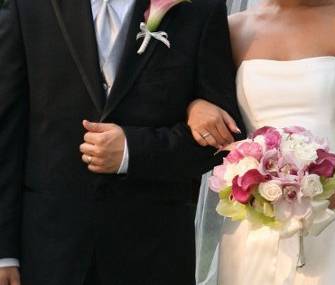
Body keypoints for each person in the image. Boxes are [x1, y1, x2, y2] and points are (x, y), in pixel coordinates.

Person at [0, 0, 244, 284]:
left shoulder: (199, 8)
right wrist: (4, 251)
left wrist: (133, 150)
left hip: (153, 252)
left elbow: (224, 140)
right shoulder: (28, 6)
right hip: (48, 250)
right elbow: (7, 132)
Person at [188, 0, 335, 284]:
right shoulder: (234, 28)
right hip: (257, 211)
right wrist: (194, 108)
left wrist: (318, 199)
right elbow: (195, 100)